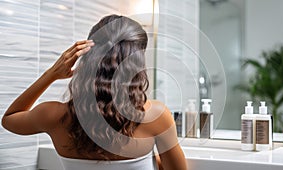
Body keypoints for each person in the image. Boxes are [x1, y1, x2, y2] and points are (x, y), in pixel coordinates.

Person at [1, 14, 187, 170]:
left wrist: (51, 74)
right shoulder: (156, 117)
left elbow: (9, 119)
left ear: (88, 57)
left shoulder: (53, 116)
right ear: (137, 65)